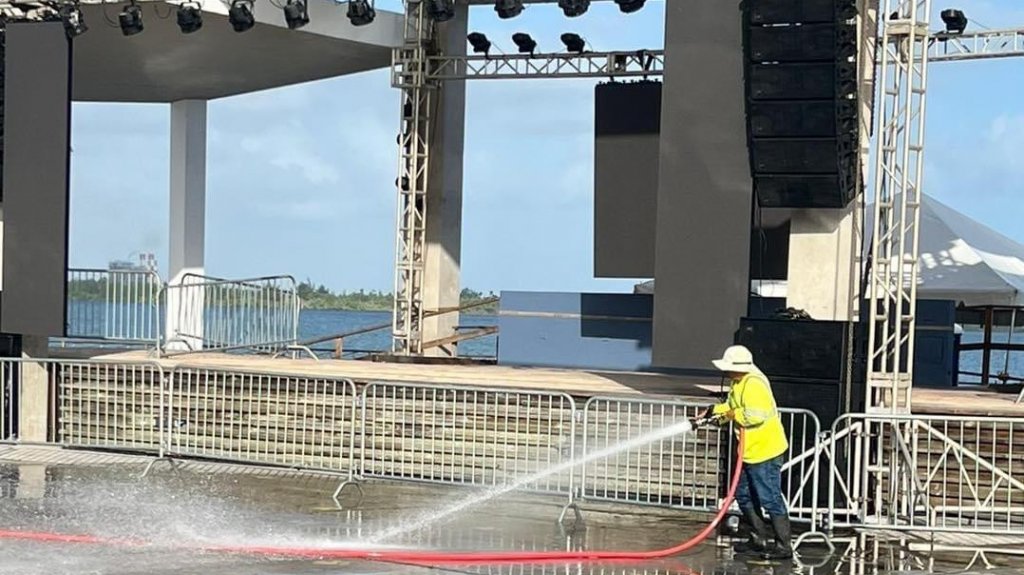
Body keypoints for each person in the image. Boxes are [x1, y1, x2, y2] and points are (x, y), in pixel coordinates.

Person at [701, 345, 792, 560]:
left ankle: (783, 545)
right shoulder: (738, 382)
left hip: (765, 451)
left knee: (769, 498)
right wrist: (713, 413)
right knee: (743, 494)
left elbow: (754, 415)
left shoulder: (753, 384)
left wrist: (731, 414)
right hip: (749, 451)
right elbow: (733, 407)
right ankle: (758, 538)